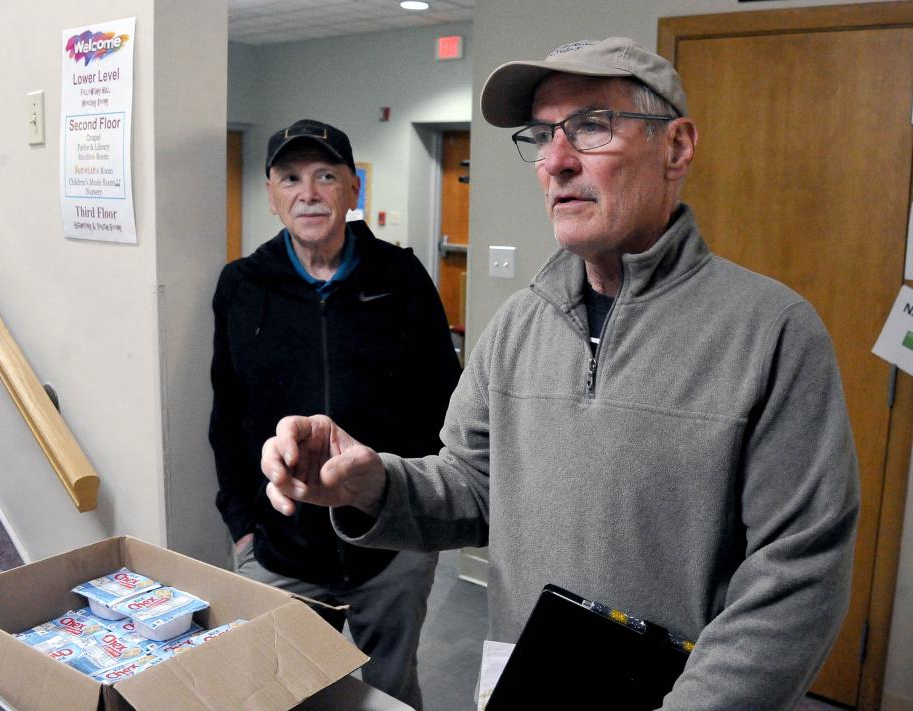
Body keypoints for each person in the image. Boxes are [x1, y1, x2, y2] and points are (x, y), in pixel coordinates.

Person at [260, 40, 860, 710]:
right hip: (523, 683)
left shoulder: (772, 331)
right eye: (542, 134)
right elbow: (474, 484)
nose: (555, 160)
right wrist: (371, 481)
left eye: (592, 126)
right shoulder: (520, 325)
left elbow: (797, 575)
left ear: (678, 147)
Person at [209, 118, 461, 709]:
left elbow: (446, 402)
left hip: (390, 546)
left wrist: (421, 526)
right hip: (278, 548)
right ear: (272, 196)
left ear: (353, 190)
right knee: (283, 697)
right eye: (291, 178)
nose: (309, 192)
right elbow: (228, 415)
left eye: (326, 176)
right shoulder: (242, 286)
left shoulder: (401, 278)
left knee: (389, 695)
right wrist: (242, 527)